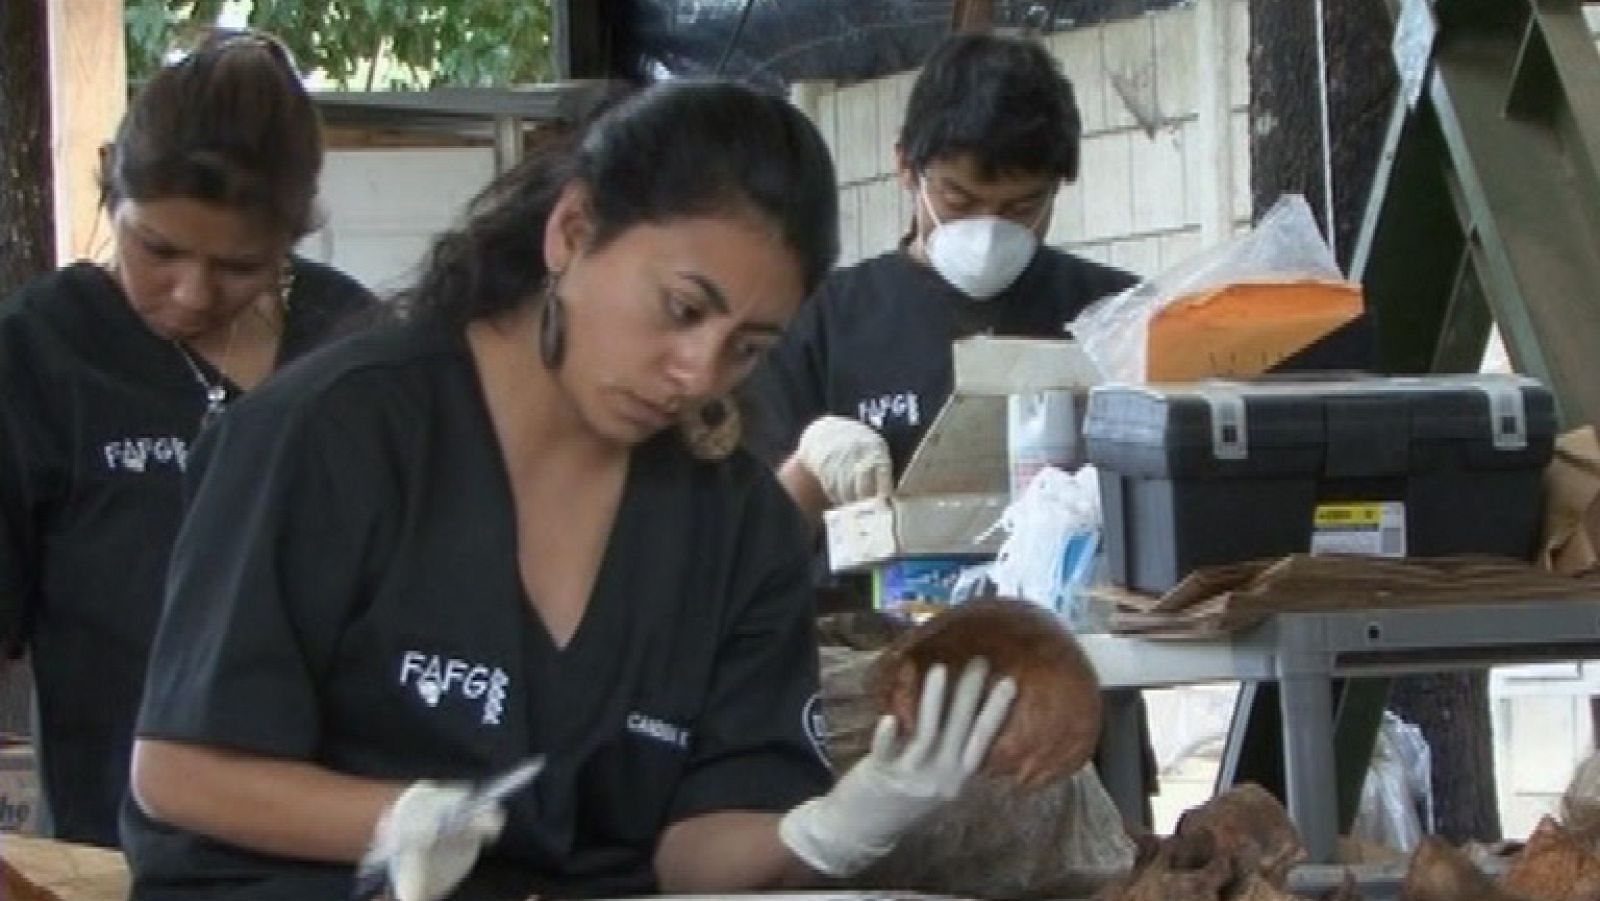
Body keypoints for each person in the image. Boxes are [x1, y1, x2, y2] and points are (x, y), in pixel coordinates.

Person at [122, 79, 1016, 901]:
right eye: (681, 308)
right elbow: (179, 768)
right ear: (573, 230)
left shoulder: (735, 524)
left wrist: (829, 831)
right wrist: (391, 821)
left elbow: (689, 847)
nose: (698, 371)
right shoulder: (337, 432)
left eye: (748, 346)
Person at [0, 28, 376, 848]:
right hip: (114, 845)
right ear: (112, 195)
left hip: (330, 843)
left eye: (240, 266)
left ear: (293, 236)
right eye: (157, 249)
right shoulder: (43, 350)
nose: (191, 292)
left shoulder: (355, 349)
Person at [747, 32, 1138, 528]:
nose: (989, 228)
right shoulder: (820, 322)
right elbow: (750, 544)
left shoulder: (1113, 314)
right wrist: (808, 471)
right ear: (906, 167)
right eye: (959, 199)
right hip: (869, 603)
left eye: (1022, 207)